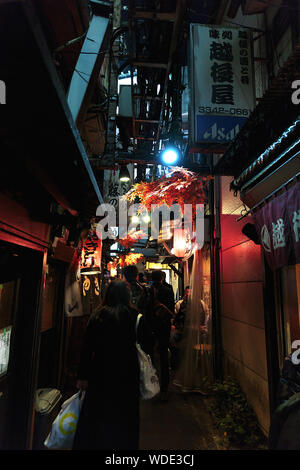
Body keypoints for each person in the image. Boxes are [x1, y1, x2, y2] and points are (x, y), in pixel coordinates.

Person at [72, 280, 152, 450]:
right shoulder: (136, 317)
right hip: (128, 373)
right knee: (126, 416)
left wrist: (82, 376)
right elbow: (148, 346)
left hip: (101, 372)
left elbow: (87, 349)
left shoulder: (97, 316)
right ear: (127, 295)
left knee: (98, 414)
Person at [141, 284, 172, 401]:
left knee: (150, 360)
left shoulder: (145, 297)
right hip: (162, 332)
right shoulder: (166, 292)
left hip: (150, 332)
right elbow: (170, 313)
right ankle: (163, 388)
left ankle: (152, 386)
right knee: (163, 359)